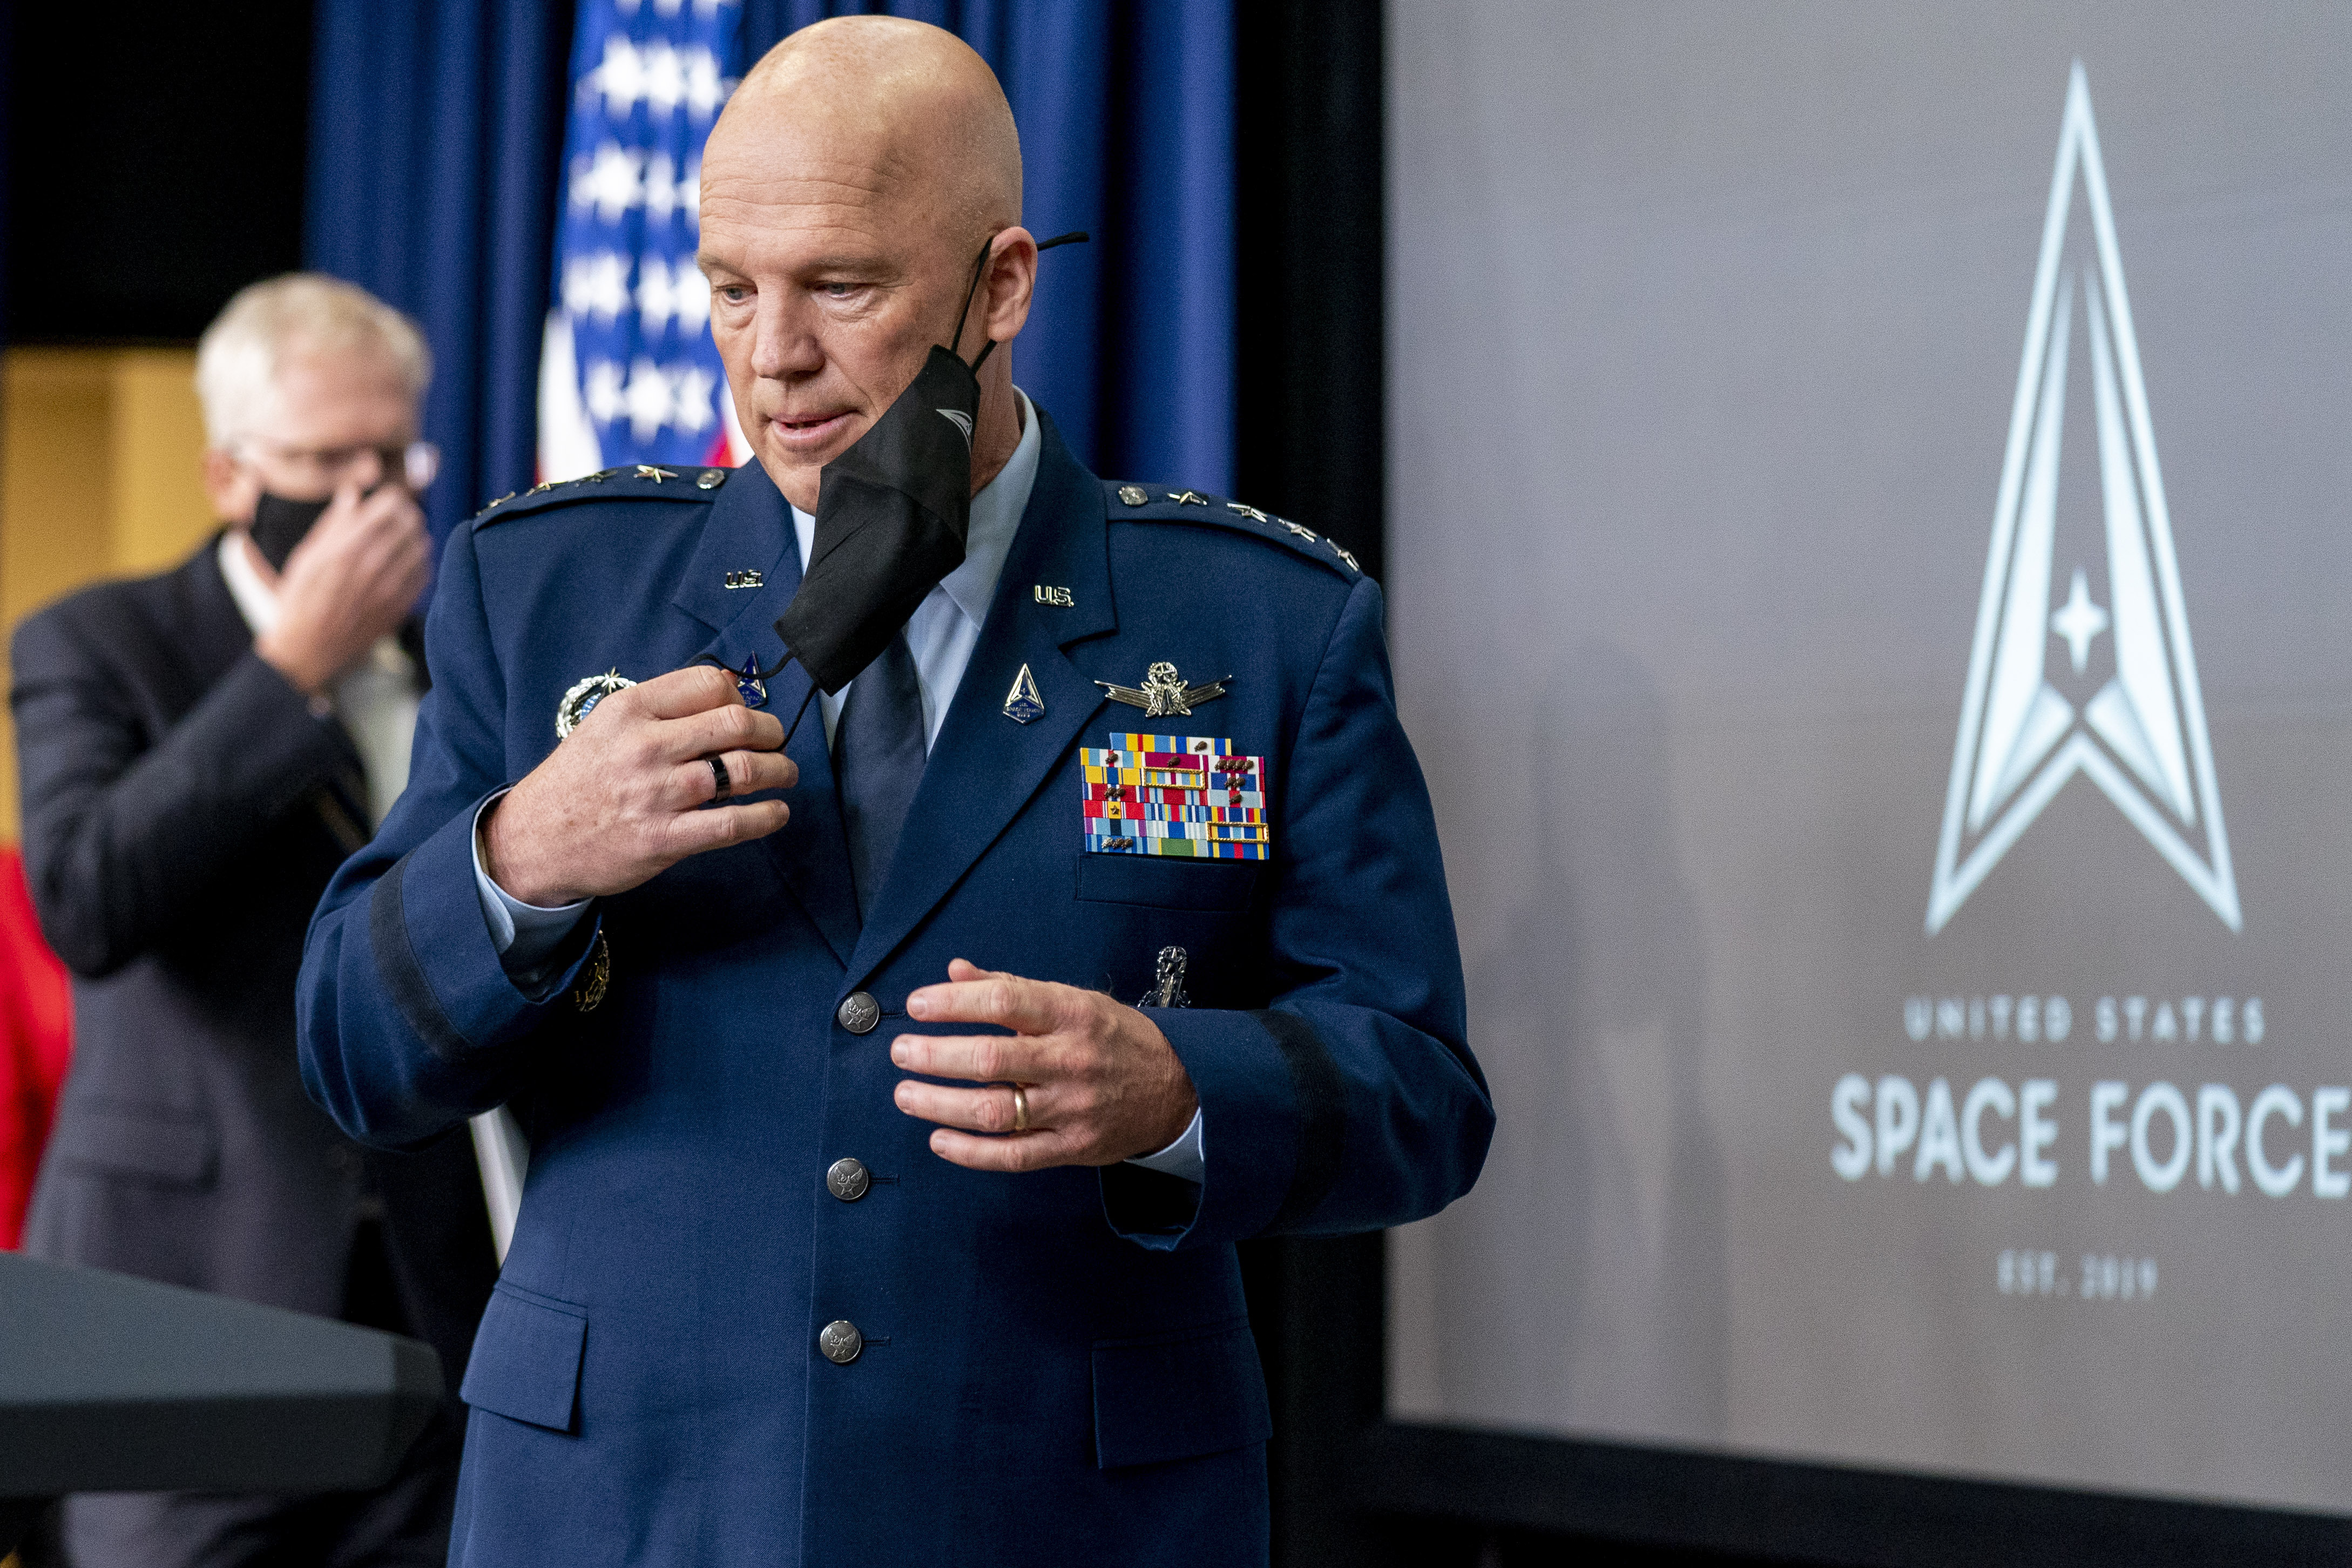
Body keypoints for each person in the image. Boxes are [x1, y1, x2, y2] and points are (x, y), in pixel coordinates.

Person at [298, 17, 1491, 1566]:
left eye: (839, 288)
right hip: (629, 1512)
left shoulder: (1256, 622)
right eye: (730, 289)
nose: (769, 356)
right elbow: (348, 1054)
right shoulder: (544, 592)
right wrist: (528, 854)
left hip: (1066, 1520)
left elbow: (1421, 1094)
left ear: (1001, 285)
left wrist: (1179, 1092)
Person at [12, 274, 498, 1568]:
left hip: (431, 1317)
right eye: (323, 462)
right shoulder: (101, 643)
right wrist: (286, 673)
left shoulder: (463, 658)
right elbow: (88, 900)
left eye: (391, 458)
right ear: (230, 475)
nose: (365, 497)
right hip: (180, 1313)